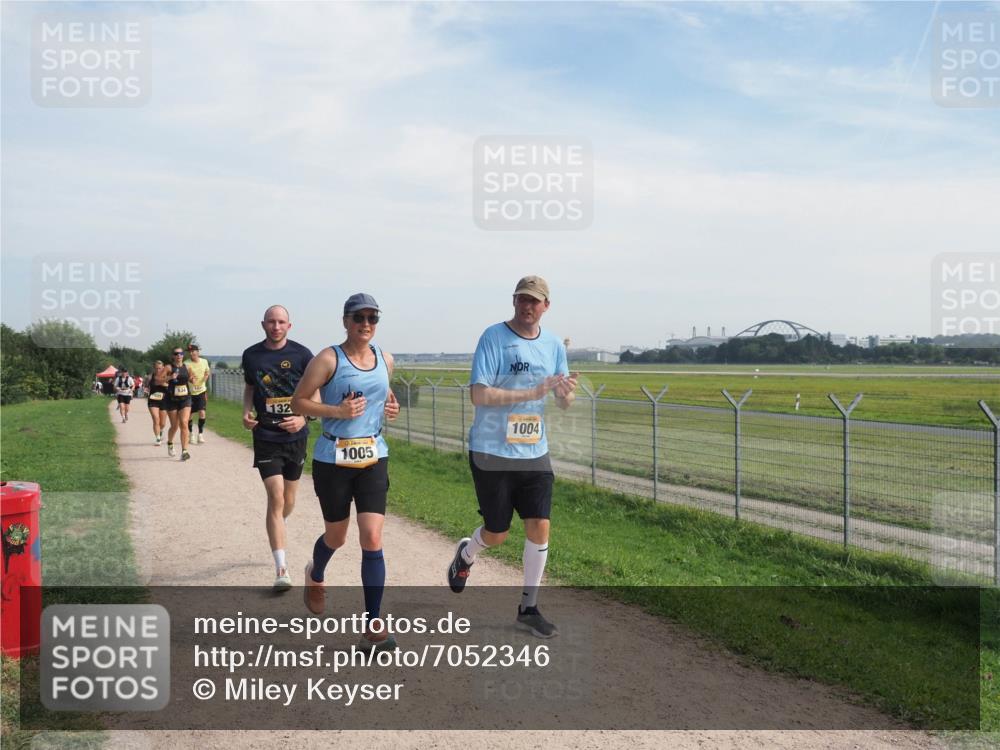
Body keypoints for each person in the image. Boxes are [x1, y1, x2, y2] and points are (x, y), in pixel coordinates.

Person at [446, 276, 578, 639]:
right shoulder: (494, 337)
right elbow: (478, 394)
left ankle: (528, 607)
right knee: (498, 533)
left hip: (534, 451)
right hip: (492, 452)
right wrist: (530, 391)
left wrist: (566, 394)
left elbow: (564, 402)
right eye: (522, 299)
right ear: (514, 301)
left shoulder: (553, 345)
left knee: (540, 524)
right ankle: (468, 552)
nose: (527, 306)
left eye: (534, 301)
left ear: (546, 306)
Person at [291, 293, 400, 653]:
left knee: (371, 537)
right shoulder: (327, 359)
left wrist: (391, 404)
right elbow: (299, 401)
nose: (366, 324)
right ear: (345, 321)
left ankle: (373, 626)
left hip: (373, 455)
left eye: (372, 318)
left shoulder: (385, 358)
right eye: (359, 317)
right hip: (333, 459)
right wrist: (336, 412)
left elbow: (383, 392)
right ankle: (316, 573)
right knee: (336, 538)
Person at [242, 305, 316, 590]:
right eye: (271, 322)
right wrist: (246, 412)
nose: (276, 326)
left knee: (288, 501)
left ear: (289, 325)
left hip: (296, 438)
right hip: (266, 436)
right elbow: (250, 387)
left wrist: (303, 417)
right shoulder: (251, 355)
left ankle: (278, 526)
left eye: (281, 322)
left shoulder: (302, 354)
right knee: (275, 498)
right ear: (263, 325)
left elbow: (316, 392)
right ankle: (281, 569)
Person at [164, 348, 192, 461]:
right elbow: (158, 380)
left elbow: (190, 378)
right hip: (171, 399)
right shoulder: (168, 367)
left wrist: (193, 380)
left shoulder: (187, 367)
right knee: (174, 426)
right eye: (176, 353)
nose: (179, 355)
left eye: (181, 353)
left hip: (185, 398)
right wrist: (170, 377)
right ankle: (170, 443)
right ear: (173, 356)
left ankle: (184, 451)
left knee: (184, 423)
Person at [185, 343, 211, 444]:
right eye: (190, 352)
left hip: (201, 391)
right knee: (189, 415)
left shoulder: (204, 362)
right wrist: (190, 379)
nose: (191, 353)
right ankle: (191, 434)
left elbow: (207, 372)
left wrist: (205, 378)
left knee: (202, 412)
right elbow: (185, 376)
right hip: (190, 393)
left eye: (193, 351)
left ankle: (200, 434)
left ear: (197, 352)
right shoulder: (186, 363)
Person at [147, 361, 169, 445]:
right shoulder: (151, 377)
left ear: (163, 368)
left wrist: (165, 385)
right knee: (156, 419)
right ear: (154, 368)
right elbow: (150, 385)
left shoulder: (167, 377)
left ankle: (161, 431)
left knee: (162, 423)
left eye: (160, 368)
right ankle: (158, 438)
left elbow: (171, 387)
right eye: (156, 368)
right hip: (153, 401)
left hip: (164, 401)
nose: (158, 370)